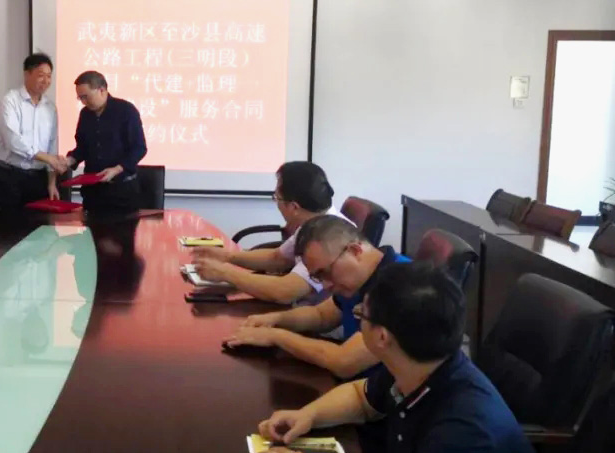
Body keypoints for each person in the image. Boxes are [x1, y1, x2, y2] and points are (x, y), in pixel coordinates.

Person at [257, 263, 532, 453]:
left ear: (382, 337)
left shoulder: (461, 434)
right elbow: (361, 398)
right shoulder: (417, 364)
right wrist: (308, 415)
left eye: (361, 314)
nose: (358, 319)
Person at [224, 215, 408, 379]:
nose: (325, 285)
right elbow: (322, 316)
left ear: (355, 251)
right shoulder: (361, 278)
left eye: (325, 272)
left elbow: (344, 362)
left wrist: (276, 336)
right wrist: (275, 319)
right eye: (317, 277)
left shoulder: (402, 287)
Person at [192, 161, 350, 304]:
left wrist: (225, 273)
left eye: (277, 198)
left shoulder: (329, 239)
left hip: (316, 316)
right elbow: (278, 258)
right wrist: (227, 256)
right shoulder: (314, 221)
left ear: (294, 207)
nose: (276, 204)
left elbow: (285, 291)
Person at [65, 71, 148, 214]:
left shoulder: (126, 111)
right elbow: (83, 147)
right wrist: (70, 160)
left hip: (121, 192)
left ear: (102, 90)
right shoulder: (85, 114)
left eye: (86, 97)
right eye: (80, 98)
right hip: (93, 193)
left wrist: (117, 169)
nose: (83, 102)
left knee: (122, 227)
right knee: (91, 228)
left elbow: (139, 148)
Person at [0, 53, 67, 211]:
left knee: (38, 223)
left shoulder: (50, 107)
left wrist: (51, 183)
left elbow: (52, 145)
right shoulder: (9, 101)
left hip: (38, 178)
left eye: (49, 76)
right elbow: (13, 140)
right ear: (27, 74)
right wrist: (47, 158)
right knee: (8, 224)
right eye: (41, 75)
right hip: (9, 176)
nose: (46, 81)